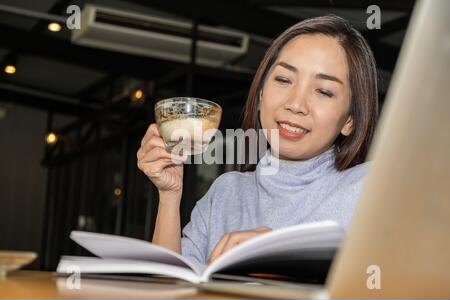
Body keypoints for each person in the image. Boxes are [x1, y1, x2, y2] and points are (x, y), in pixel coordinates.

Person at [137, 15, 379, 266]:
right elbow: (168, 290)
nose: (296, 104)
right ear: (262, 95)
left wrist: (280, 254)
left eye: (323, 91)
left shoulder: (372, 188)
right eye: (284, 80)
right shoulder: (225, 193)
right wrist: (169, 196)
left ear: (350, 119)